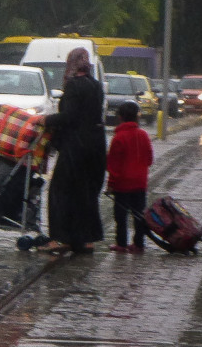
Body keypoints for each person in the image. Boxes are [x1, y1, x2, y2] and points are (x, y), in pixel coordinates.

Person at [37, 47, 107, 254]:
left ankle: (60, 238)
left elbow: (70, 116)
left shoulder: (74, 86)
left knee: (61, 191)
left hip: (76, 146)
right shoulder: (96, 86)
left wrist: (45, 119)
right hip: (96, 145)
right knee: (86, 193)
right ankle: (86, 240)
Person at [106, 100, 153, 254]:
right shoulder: (143, 135)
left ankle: (121, 243)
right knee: (139, 214)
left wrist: (111, 184)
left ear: (120, 117)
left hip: (122, 184)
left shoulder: (119, 138)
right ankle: (138, 244)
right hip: (140, 182)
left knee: (121, 215)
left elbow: (114, 164)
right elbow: (150, 159)